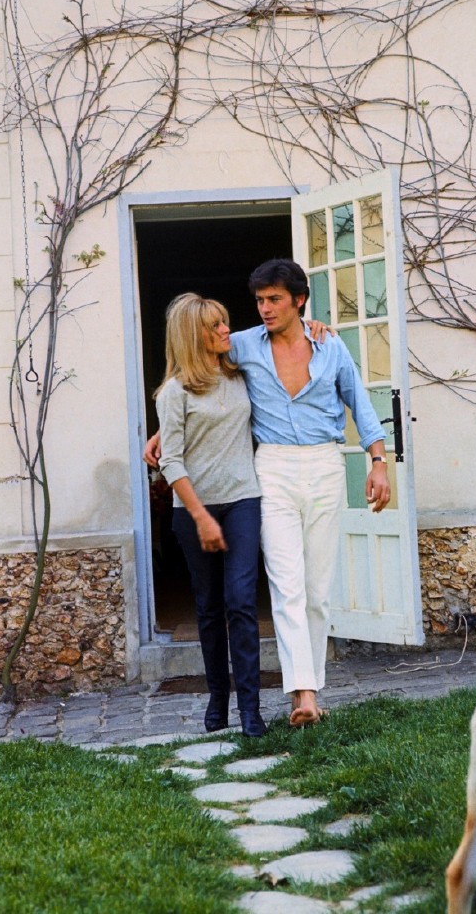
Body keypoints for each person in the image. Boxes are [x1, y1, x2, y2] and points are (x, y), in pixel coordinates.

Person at [145, 259, 391, 728]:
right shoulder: (242, 345)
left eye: (274, 299)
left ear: (299, 301)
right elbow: (194, 366)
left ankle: (311, 685)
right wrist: (163, 431)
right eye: (259, 300)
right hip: (272, 470)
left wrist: (379, 462)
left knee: (318, 590)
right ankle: (303, 695)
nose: (264, 308)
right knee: (286, 584)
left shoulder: (330, 346)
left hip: (325, 465)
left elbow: (360, 404)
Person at [154, 293, 266, 738]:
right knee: (209, 608)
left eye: (225, 322)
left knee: (241, 601)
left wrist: (317, 328)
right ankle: (218, 697)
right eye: (215, 326)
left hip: (243, 500)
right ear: (192, 335)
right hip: (193, 510)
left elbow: (275, 336)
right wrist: (200, 516)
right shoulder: (174, 392)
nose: (226, 330)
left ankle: (251, 709)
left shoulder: (241, 373)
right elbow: (171, 460)